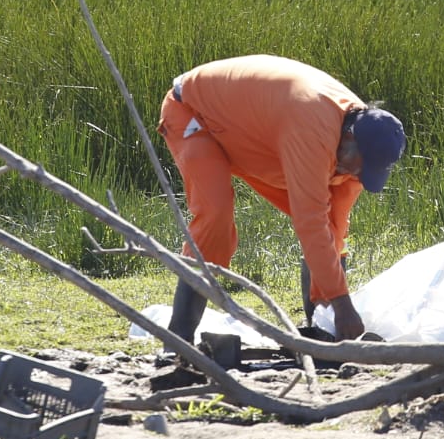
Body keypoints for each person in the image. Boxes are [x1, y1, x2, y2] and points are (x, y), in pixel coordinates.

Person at [158, 54, 406, 343]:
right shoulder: (313, 128)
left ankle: (318, 329)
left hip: (249, 132)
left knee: (331, 226)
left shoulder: (360, 146)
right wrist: (342, 305)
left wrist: (330, 317)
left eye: (366, 173)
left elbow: (331, 227)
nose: (355, 174)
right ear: (350, 138)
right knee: (215, 215)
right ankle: (178, 340)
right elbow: (309, 222)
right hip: (193, 112)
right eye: (357, 165)